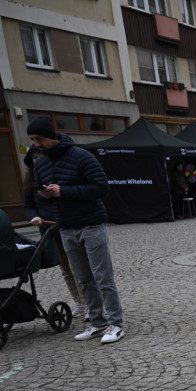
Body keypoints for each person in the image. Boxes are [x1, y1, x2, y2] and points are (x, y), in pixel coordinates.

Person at [23, 116, 124, 344]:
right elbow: (45, 199)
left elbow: (101, 188)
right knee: (84, 278)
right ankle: (97, 323)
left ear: (51, 135)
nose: (36, 144)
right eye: (32, 140)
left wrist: (63, 191)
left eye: (39, 139)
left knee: (103, 277)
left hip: (91, 224)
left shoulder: (81, 156)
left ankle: (116, 323)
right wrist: (45, 195)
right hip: (65, 228)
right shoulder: (42, 164)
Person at [22, 147, 86, 318]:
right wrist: (34, 216)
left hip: (67, 226)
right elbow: (28, 205)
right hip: (48, 231)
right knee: (65, 269)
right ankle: (78, 302)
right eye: (34, 158)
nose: (37, 160)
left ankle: (89, 303)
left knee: (78, 268)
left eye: (39, 156)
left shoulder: (56, 174)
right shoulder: (30, 180)